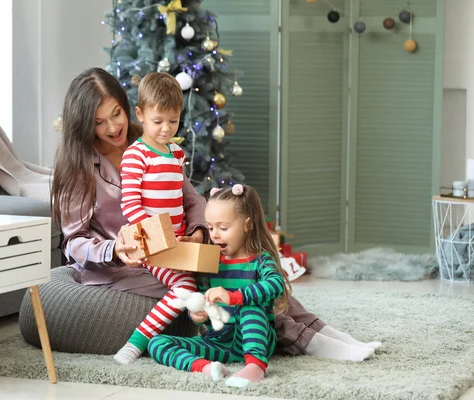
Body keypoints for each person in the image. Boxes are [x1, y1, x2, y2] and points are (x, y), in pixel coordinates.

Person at [51, 67, 381, 365]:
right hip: (127, 269)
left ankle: (320, 330)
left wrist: (196, 231)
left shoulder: (151, 141)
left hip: (176, 249)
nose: (113, 127)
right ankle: (311, 342)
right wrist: (115, 251)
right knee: (233, 281)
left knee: (246, 265)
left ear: (128, 108)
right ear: (85, 125)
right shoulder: (78, 170)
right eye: (99, 121)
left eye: (116, 113)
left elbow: (190, 197)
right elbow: (74, 243)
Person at [148, 184, 291, 388]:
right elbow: (203, 300)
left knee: (251, 306)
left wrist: (234, 297)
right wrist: (198, 314)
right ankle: (206, 368)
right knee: (157, 343)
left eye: (223, 228)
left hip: (254, 340)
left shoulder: (260, 260)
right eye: (210, 227)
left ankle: (255, 366)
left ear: (247, 225)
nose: (215, 235)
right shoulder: (211, 263)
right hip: (218, 343)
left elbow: (275, 284)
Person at [115, 72, 198, 364]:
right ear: (140, 114)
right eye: (158, 121)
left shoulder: (176, 153)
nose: (166, 129)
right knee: (186, 287)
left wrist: (185, 236)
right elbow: (131, 206)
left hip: (178, 241)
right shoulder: (136, 155)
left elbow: (179, 199)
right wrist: (158, 237)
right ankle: (136, 343)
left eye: (173, 121)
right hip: (152, 243)